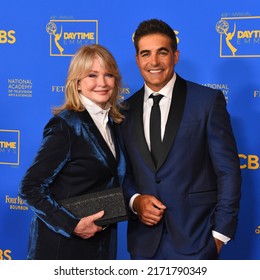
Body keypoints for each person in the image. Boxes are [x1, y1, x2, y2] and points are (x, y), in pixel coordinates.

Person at [119, 19, 241, 259]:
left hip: (197, 241)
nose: (153, 62)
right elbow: (122, 174)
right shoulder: (124, 111)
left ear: (175, 56)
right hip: (144, 246)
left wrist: (219, 236)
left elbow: (228, 172)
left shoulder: (207, 102)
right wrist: (135, 201)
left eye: (162, 52)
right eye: (146, 54)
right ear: (137, 60)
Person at [19, 44, 125, 260]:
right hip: (62, 248)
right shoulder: (65, 126)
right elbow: (30, 188)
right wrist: (72, 225)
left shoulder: (113, 124)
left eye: (109, 75)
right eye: (92, 75)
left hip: (100, 246)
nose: (102, 83)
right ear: (77, 83)